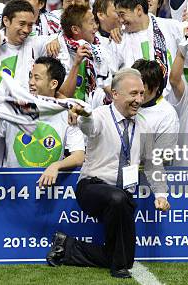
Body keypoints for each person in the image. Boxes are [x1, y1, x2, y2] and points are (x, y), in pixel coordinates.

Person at [45, 68, 170, 279]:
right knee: (118, 198)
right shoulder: (101, 116)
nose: (139, 99)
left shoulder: (144, 124)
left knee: (123, 256)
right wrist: (84, 115)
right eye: (133, 94)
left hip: (122, 196)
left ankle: (67, 247)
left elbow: (152, 164)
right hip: (92, 189)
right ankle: (117, 269)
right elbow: (89, 125)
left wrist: (161, 195)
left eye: (141, 93)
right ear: (115, 94)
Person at [0, 57, 85, 183]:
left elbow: (79, 156)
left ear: (53, 84)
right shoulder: (12, 109)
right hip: (12, 189)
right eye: (30, 76)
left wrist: (56, 166)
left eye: (37, 78)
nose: (31, 82)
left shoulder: (68, 114)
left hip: (48, 187)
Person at [0, 0, 65, 88]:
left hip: (25, 101)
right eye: (22, 24)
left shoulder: (34, 43)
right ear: (6, 21)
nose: (26, 30)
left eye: (30, 25)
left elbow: (64, 39)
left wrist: (56, 39)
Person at [114, 0, 183, 96]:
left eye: (122, 14)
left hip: (171, 103)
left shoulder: (170, 27)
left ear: (139, 10)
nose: (120, 20)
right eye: (118, 16)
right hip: (135, 106)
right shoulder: (119, 38)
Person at [56, 4, 112, 105]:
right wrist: (76, 64)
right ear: (75, 30)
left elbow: (105, 86)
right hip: (69, 114)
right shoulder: (56, 51)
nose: (96, 27)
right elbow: (63, 96)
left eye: (95, 21)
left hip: (95, 113)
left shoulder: (101, 47)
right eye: (91, 23)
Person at [132, 59, 179, 165]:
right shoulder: (126, 102)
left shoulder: (167, 114)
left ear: (156, 86)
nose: (136, 90)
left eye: (142, 86)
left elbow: (164, 157)